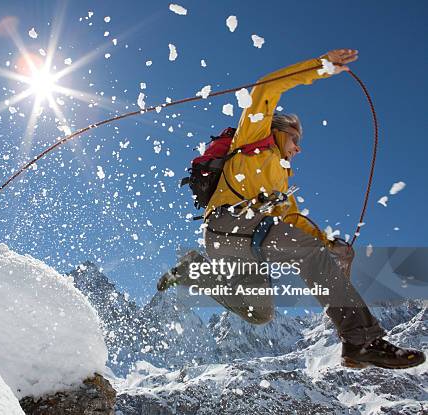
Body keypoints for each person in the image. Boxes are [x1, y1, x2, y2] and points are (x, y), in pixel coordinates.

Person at [159, 49, 425, 369]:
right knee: (309, 252)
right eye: (295, 138)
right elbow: (266, 87)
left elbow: (294, 222)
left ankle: (192, 272)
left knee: (260, 313)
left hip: (234, 245)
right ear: (279, 131)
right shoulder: (254, 137)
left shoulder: (281, 185)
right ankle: (361, 339)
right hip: (228, 224)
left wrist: (330, 245)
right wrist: (321, 67)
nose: (299, 147)